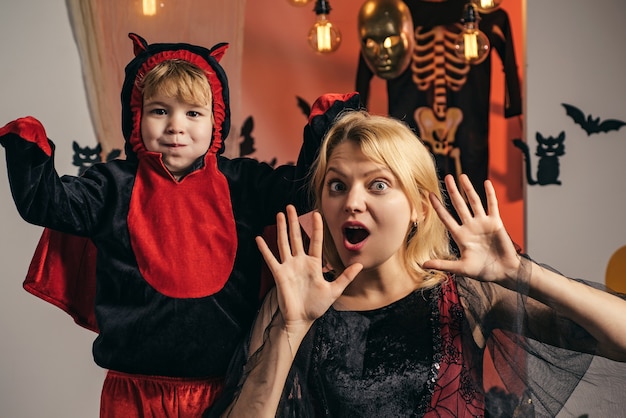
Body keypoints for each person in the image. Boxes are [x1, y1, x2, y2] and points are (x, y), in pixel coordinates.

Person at [0, 33, 360, 417]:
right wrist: (29, 159)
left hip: (227, 387)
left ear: (215, 119)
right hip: (133, 392)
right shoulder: (110, 186)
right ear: (136, 115)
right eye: (159, 111)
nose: (176, 126)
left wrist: (323, 130)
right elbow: (51, 206)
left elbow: (303, 192)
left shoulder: (243, 183)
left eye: (193, 113)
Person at [207, 108, 626, 417]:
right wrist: (290, 330)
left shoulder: (464, 291)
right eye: (337, 185)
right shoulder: (294, 302)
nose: (352, 202)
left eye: (378, 185)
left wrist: (521, 273)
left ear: (419, 208)